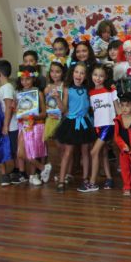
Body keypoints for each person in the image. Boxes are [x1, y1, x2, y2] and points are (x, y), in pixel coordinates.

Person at [54, 62, 94, 193]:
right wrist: (57, 99)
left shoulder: (88, 89)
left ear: (86, 76)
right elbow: (64, 110)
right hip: (71, 123)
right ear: (72, 73)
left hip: (84, 123)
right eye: (77, 72)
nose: (79, 75)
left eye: (82, 73)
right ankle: (61, 180)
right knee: (68, 152)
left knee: (85, 152)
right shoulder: (67, 89)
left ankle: (85, 179)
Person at [15, 65, 50, 186]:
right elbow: (18, 112)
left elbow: (44, 113)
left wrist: (33, 117)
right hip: (22, 126)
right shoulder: (19, 93)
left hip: (34, 126)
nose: (25, 82)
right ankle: (43, 167)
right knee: (20, 153)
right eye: (22, 79)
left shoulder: (38, 93)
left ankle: (33, 175)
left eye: (28, 79)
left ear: (33, 79)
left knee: (32, 152)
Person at [87, 65, 120, 191]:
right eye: (95, 75)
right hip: (97, 126)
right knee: (103, 152)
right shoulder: (90, 92)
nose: (98, 78)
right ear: (91, 76)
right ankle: (109, 179)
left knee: (93, 152)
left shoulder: (110, 90)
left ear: (105, 77)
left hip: (108, 125)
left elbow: (117, 108)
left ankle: (92, 183)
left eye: (101, 76)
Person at [44, 59, 71, 185]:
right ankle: (63, 171)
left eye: (58, 72)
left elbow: (64, 109)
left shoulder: (64, 87)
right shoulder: (47, 87)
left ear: (63, 73)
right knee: (59, 148)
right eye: (52, 71)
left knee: (64, 148)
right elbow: (45, 106)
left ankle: (66, 173)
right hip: (51, 120)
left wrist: (57, 98)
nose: (54, 74)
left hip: (63, 120)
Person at [0, 60, 21, 184]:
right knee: (13, 149)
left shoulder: (6, 88)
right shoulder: (6, 87)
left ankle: (19, 171)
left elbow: (9, 107)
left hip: (11, 125)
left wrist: (5, 125)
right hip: (10, 124)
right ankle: (16, 169)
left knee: (14, 149)